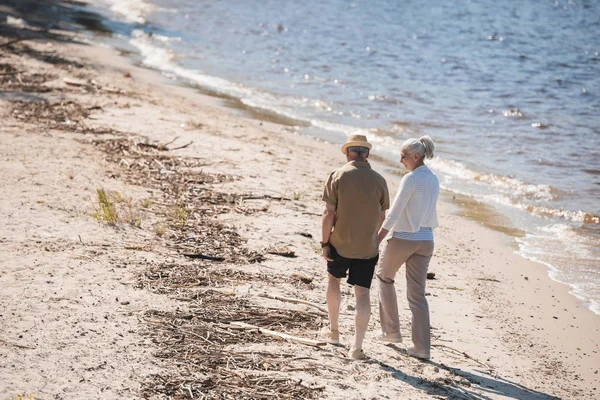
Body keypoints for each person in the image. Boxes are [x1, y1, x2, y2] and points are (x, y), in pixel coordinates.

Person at [320, 134, 389, 360]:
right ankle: (357, 348)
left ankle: (334, 331)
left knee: (333, 281)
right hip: (367, 247)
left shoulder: (337, 175)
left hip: (339, 243)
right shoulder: (380, 180)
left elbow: (329, 213)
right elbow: (382, 217)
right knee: (362, 293)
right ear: (366, 153)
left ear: (348, 153)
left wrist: (324, 243)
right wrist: (374, 240)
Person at [375, 136, 439, 360]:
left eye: (403, 156)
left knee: (384, 277)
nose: (400, 160)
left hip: (404, 238)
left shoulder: (410, 179)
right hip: (426, 240)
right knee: (417, 295)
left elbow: (395, 212)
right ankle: (422, 349)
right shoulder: (434, 179)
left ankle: (391, 332)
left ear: (415, 156)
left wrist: (379, 237)